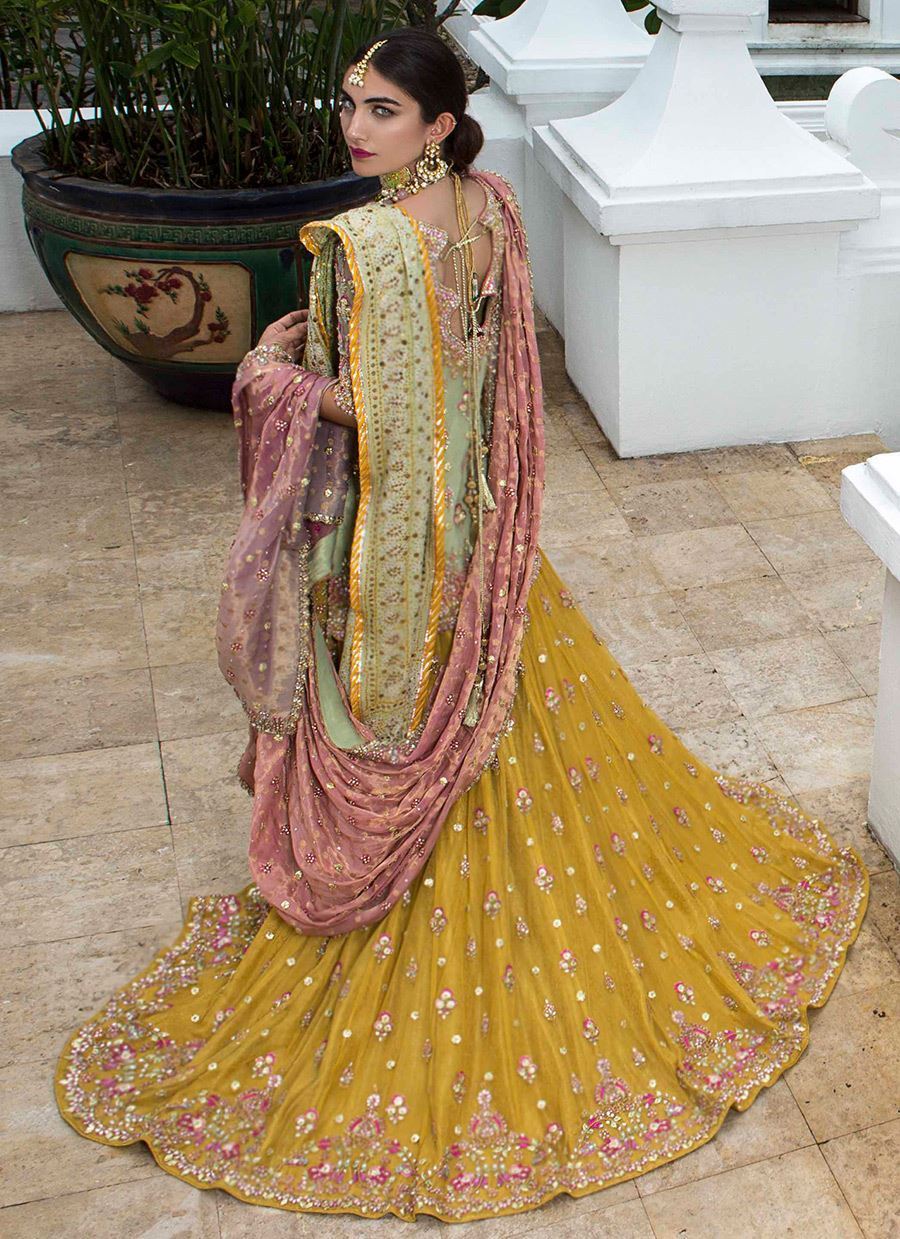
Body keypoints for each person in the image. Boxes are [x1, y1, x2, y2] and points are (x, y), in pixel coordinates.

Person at [54, 28, 869, 1224]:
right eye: (350, 102)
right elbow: (474, 371)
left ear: (438, 124)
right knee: (512, 689)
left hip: (397, 537)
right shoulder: (489, 207)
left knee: (397, 710)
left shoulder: (360, 243)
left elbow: (368, 408)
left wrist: (272, 370)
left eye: (382, 110)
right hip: (477, 519)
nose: (354, 128)